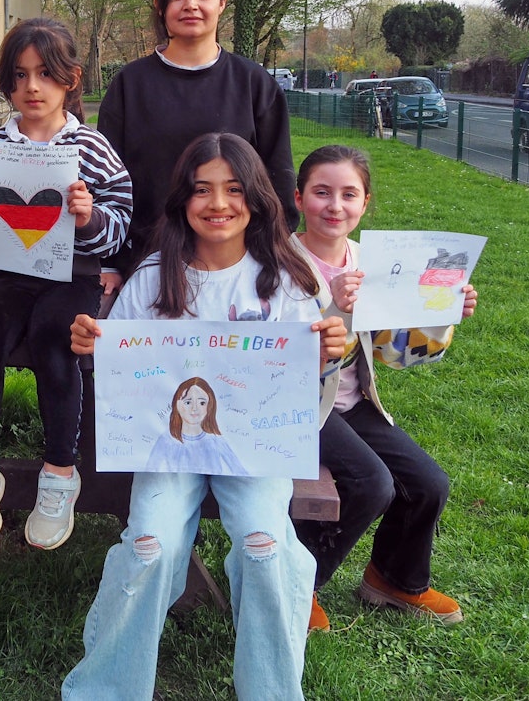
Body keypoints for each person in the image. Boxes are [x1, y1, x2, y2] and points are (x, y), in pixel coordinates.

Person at [63, 133, 346, 701]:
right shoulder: (152, 279)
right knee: (150, 544)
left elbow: (303, 385)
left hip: (255, 452)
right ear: (181, 202)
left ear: (258, 199)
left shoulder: (287, 284)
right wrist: (96, 346)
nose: (218, 204)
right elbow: (123, 378)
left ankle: (271, 692)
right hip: (168, 447)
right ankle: (105, 689)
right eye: (202, 191)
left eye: (234, 189)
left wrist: (325, 352)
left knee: (267, 546)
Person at [0, 18, 132, 550]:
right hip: (10, 276)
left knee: (58, 339)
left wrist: (90, 218)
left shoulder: (93, 149)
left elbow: (121, 226)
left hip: (74, 278)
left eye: (46, 74)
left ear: (70, 79)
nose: (33, 87)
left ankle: (59, 473)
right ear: (7, 83)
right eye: (21, 75)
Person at [290, 144, 477, 632]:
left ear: (366, 203)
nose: (335, 206)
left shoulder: (376, 261)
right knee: (371, 483)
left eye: (349, 194)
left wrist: (440, 316)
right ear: (298, 198)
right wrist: (332, 308)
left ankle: (394, 578)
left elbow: (397, 354)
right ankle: (294, 580)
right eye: (322, 192)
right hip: (297, 402)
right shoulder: (279, 264)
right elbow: (281, 360)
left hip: (352, 402)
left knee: (429, 484)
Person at [98, 0, 299, 294]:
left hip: (238, 265)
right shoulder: (130, 85)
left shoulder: (254, 84)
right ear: (160, 6)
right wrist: (110, 261)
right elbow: (104, 182)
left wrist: (274, 251)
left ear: (221, 2)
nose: (190, 4)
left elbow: (277, 177)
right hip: (148, 265)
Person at [144, 376, 249, 475]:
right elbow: (150, 468)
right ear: (177, 404)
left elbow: (239, 469)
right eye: (188, 402)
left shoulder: (216, 441)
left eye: (202, 403)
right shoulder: (166, 440)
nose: (194, 408)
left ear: (210, 406)